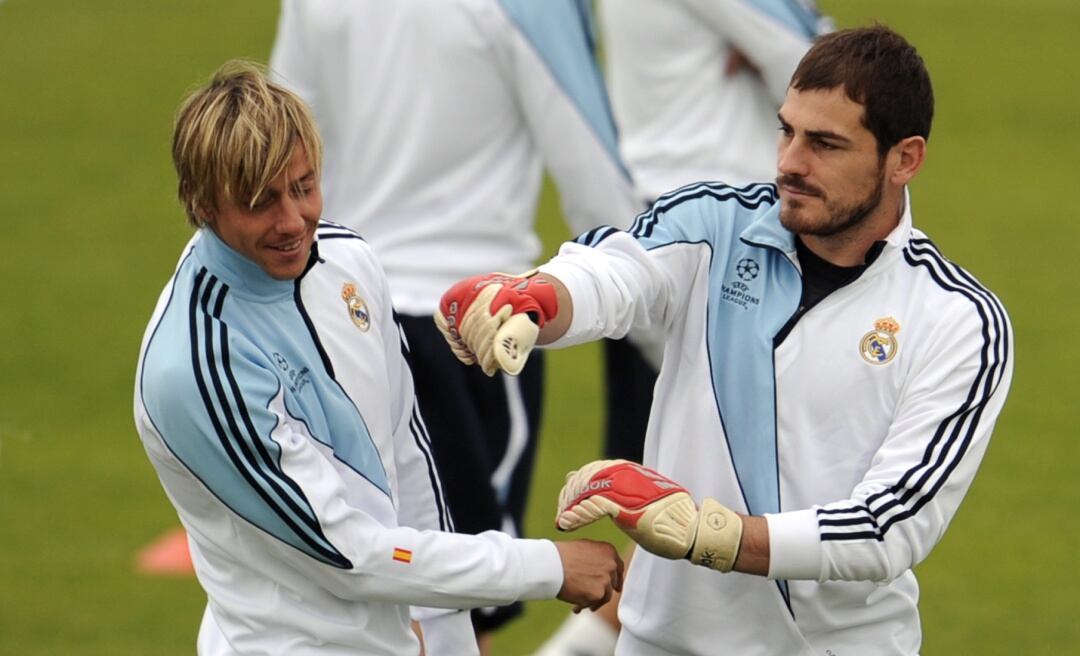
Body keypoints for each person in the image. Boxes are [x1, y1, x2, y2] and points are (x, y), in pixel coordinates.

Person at [436, 26, 1014, 654]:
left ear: (905, 159)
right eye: (786, 130)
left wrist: (710, 533)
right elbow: (615, 273)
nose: (791, 162)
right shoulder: (716, 222)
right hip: (658, 642)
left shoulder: (959, 321)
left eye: (824, 143)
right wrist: (536, 299)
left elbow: (889, 525)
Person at [133, 61, 623, 655]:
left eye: (305, 186)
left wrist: (446, 641)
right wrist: (546, 567)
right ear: (203, 201)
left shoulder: (349, 261)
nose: (293, 222)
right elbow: (349, 552)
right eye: (260, 202)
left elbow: (409, 464)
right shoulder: (195, 364)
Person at [267, 1, 648, 647]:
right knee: (460, 611)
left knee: (391, 589)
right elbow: (591, 170)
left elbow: (280, 133)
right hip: (469, 331)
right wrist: (662, 312)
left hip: (337, 317)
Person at [535, 4, 831, 653]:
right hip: (731, 253)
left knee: (663, 525)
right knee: (700, 523)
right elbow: (829, 76)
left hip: (652, 233)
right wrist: (795, 39)